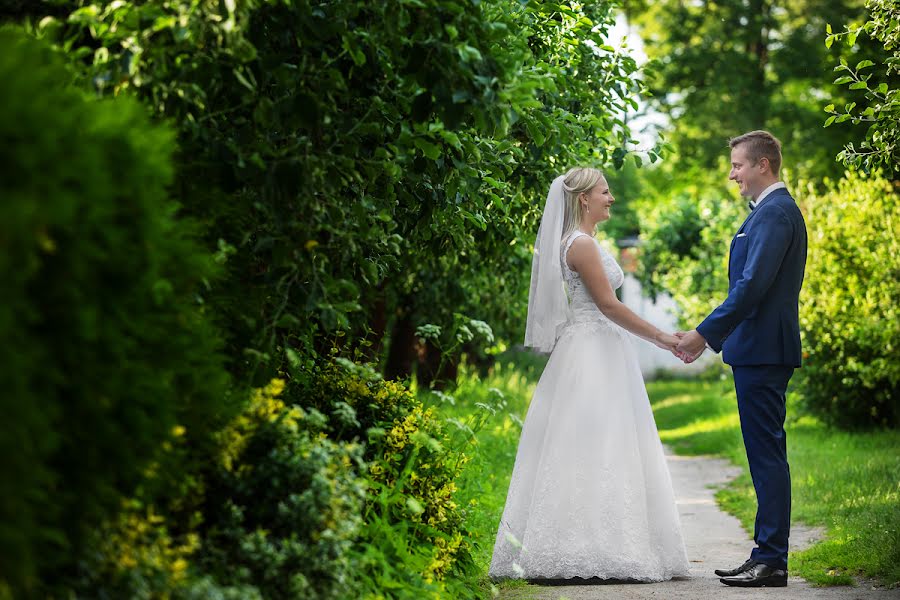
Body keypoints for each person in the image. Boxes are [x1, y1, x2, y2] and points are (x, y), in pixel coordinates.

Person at [488, 167, 691, 583]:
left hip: (601, 349)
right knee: (588, 444)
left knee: (608, 445)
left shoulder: (587, 241)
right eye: (605, 191)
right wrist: (664, 339)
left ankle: (608, 541)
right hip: (591, 352)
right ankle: (575, 547)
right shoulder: (580, 244)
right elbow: (609, 305)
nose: (611, 197)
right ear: (584, 199)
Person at [676, 130, 807, 588]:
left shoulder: (774, 213)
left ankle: (771, 558)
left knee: (767, 456)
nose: (732, 174)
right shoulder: (768, 213)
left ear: (763, 165)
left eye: (737, 165)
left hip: (765, 351)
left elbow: (751, 287)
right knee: (763, 454)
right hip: (760, 350)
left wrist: (703, 335)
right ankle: (764, 554)